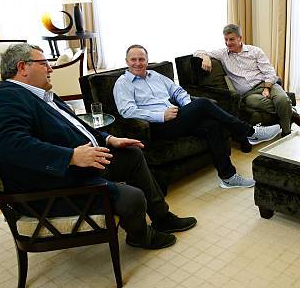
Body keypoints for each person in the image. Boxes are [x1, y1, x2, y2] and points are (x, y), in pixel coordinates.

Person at [0, 43, 196, 250]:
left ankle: (162, 217)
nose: (50, 68)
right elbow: (10, 145)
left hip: (80, 166)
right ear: (22, 67)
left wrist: (109, 139)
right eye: (44, 63)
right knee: (132, 197)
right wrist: (71, 156)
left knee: (132, 154)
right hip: (54, 186)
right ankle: (140, 237)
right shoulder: (6, 98)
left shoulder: (42, 96)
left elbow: (78, 127)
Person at [113, 44, 281, 189]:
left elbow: (177, 91)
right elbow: (127, 111)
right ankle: (249, 132)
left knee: (211, 126)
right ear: (126, 61)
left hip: (177, 117)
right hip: (157, 126)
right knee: (203, 103)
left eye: (141, 59)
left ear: (147, 60)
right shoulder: (123, 83)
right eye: (133, 59)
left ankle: (228, 177)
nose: (137, 63)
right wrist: (160, 115)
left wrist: (188, 107)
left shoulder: (155, 76)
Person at [194, 24, 300, 137]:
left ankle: (286, 132)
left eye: (231, 39)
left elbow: (270, 72)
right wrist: (206, 57)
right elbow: (197, 52)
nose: (228, 43)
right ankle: (291, 113)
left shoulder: (255, 51)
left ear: (240, 38)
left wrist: (267, 88)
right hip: (248, 94)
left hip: (267, 84)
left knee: (282, 100)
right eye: (226, 39)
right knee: (262, 102)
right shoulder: (223, 54)